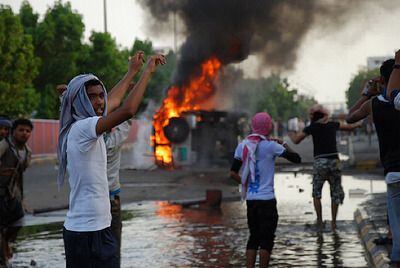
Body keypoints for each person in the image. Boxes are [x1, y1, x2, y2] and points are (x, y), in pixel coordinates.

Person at [58, 52, 165, 268]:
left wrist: (131, 72)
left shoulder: (87, 124)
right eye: (92, 96)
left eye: (100, 95)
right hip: (85, 233)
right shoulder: (82, 128)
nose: (99, 101)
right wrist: (147, 72)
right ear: (78, 100)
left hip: (98, 227)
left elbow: (112, 101)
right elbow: (127, 109)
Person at [230, 112, 301, 268]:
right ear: (269, 127)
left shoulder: (243, 145)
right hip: (267, 200)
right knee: (267, 239)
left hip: (251, 200)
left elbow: (233, 173)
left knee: (253, 237)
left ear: (252, 127)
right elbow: (297, 159)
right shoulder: (272, 146)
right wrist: (284, 144)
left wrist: (247, 184)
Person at [288, 105, 359, 230]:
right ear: (324, 115)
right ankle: (333, 223)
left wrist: (291, 132)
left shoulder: (312, 127)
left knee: (316, 193)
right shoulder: (333, 125)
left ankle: (320, 221)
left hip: (320, 162)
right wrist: (359, 122)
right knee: (335, 192)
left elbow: (296, 140)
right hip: (334, 162)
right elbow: (350, 127)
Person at [0, 119, 33, 267]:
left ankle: (6, 242)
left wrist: (22, 198)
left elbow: (19, 176)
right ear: (13, 131)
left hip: (12, 194)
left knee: (19, 221)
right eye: (21, 130)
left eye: (27, 131)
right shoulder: (4, 146)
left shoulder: (26, 152)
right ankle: (4, 259)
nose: (24, 133)